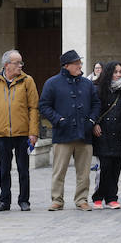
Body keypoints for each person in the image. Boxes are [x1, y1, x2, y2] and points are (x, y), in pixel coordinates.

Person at [39, 50, 100, 211]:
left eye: (80, 63)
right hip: (62, 134)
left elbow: (96, 104)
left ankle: (81, 200)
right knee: (59, 171)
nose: (80, 66)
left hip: (84, 135)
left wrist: (92, 121)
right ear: (66, 66)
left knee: (84, 172)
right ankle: (57, 200)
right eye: (76, 63)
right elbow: (44, 106)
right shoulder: (52, 83)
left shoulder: (87, 84)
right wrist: (59, 120)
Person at [0, 50, 39, 212]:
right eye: (17, 63)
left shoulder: (28, 81)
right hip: (1, 133)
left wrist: (33, 132)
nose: (21, 66)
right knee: (4, 169)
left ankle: (24, 200)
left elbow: (34, 108)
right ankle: (4, 200)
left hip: (22, 133)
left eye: (21, 63)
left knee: (23, 169)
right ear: (7, 65)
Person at [91, 61, 121, 209]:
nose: (118, 75)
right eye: (115, 72)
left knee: (116, 167)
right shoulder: (97, 89)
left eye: (120, 72)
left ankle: (112, 197)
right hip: (103, 133)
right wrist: (94, 124)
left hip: (119, 133)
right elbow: (93, 109)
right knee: (105, 166)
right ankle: (98, 196)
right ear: (108, 73)